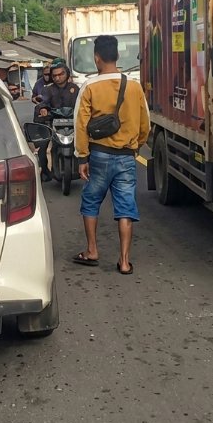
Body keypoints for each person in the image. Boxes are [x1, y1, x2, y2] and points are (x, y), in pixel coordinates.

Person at [72, 35, 150, 275]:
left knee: (91, 201)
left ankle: (92, 250)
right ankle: (125, 261)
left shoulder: (89, 87)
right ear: (117, 56)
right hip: (127, 156)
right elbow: (145, 124)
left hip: (99, 155)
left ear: (97, 58)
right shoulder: (134, 86)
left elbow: (80, 124)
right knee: (126, 206)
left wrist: (82, 157)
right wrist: (136, 145)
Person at [35, 61, 79, 182]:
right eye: (54, 75)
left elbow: (83, 104)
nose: (58, 77)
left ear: (67, 74)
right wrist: (43, 109)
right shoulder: (48, 90)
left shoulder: (75, 89)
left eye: (61, 74)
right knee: (42, 147)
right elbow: (43, 102)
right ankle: (45, 171)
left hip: (73, 124)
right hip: (53, 123)